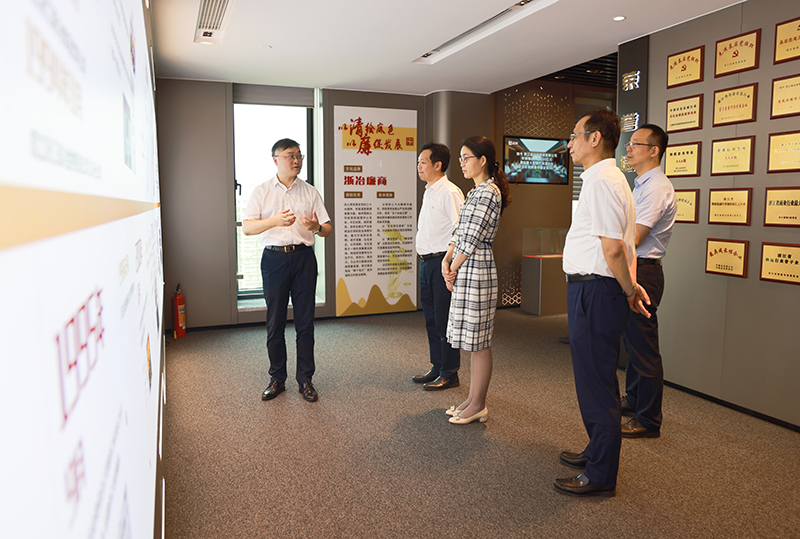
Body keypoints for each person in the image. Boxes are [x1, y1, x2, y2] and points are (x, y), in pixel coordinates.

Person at [555, 110, 651, 496]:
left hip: (596, 291)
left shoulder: (602, 181)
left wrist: (629, 290)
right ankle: (597, 451)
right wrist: (629, 287)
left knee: (595, 383)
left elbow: (612, 249)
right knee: (598, 379)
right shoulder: (606, 179)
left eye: (574, 135)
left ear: (595, 139)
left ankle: (600, 474)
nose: (569, 143)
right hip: (595, 290)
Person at [243, 138, 332, 403]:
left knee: (305, 322)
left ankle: (305, 379)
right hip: (274, 260)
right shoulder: (262, 191)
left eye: (299, 156)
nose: (296, 160)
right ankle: (277, 379)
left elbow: (327, 229)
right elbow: (247, 227)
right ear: (276, 160)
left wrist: (316, 227)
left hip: (304, 259)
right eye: (290, 156)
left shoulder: (310, 191)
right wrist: (275, 221)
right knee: (275, 322)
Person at [442, 136, 511, 425]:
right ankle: (472, 400)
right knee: (472, 339)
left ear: (483, 160)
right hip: (465, 265)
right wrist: (447, 259)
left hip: (476, 267)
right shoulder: (475, 192)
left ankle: (479, 404)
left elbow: (471, 239)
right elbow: (459, 232)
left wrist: (452, 267)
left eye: (466, 157)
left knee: (479, 341)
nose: (461, 163)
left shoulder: (489, 192)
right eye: (460, 158)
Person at [620, 124, 677, 438]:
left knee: (644, 348)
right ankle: (634, 399)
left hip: (644, 272)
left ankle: (649, 420)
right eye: (629, 143)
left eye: (635, 144)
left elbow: (635, 236)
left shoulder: (656, 187)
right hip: (635, 267)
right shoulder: (642, 184)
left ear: (654, 150)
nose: (628, 149)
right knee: (633, 342)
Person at [412, 143, 465, 391]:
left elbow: (460, 229)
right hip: (427, 263)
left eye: (423, 162)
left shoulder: (450, 192)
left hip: (442, 263)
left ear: (438, 165)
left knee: (444, 320)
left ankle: (450, 372)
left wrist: (450, 263)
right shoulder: (430, 190)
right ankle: (437, 366)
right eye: (418, 162)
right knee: (431, 319)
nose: (419, 166)